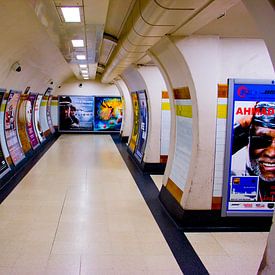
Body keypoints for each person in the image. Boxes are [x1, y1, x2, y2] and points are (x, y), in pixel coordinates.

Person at [233, 102, 275, 202]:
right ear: (245, 142)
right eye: (261, 140)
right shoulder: (231, 179)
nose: (272, 153)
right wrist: (240, 127)